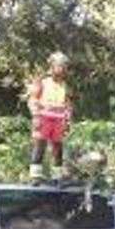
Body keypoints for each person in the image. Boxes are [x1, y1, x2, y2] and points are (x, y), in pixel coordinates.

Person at [26, 52, 72, 183]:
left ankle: (57, 177)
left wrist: (67, 121)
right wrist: (35, 116)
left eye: (62, 66)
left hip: (58, 121)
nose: (60, 69)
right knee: (40, 146)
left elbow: (67, 104)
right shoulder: (42, 82)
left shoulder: (64, 85)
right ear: (51, 67)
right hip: (43, 118)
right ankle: (35, 176)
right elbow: (32, 99)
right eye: (57, 66)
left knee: (58, 149)